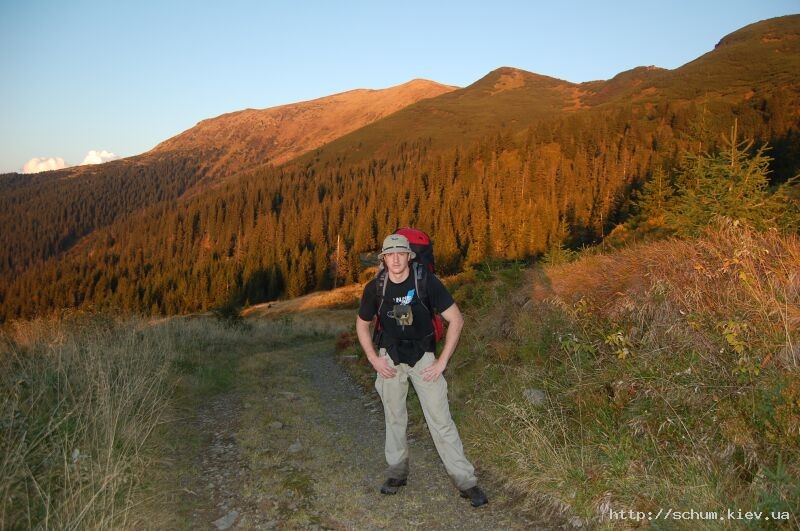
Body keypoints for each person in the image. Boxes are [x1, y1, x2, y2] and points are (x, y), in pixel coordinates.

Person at [355, 233, 489, 507]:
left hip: (423, 358)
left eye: (400, 254)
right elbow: (362, 323)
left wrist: (442, 362)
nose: (395, 259)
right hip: (390, 358)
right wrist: (373, 358)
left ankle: (466, 482)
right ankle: (397, 474)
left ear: (409, 256)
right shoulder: (376, 287)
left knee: (441, 420)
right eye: (389, 255)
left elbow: (456, 320)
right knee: (394, 417)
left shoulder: (426, 281)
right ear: (383, 259)